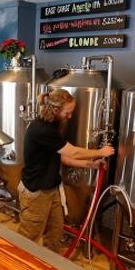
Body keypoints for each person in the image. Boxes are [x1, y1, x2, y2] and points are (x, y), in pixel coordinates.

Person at [18, 89, 114, 252]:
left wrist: (91, 165)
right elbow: (73, 151)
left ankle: (51, 267)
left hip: (51, 189)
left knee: (54, 233)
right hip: (36, 193)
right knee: (28, 238)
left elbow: (61, 157)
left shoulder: (53, 126)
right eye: (67, 113)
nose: (70, 116)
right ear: (55, 110)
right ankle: (16, 269)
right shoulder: (42, 129)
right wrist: (101, 152)